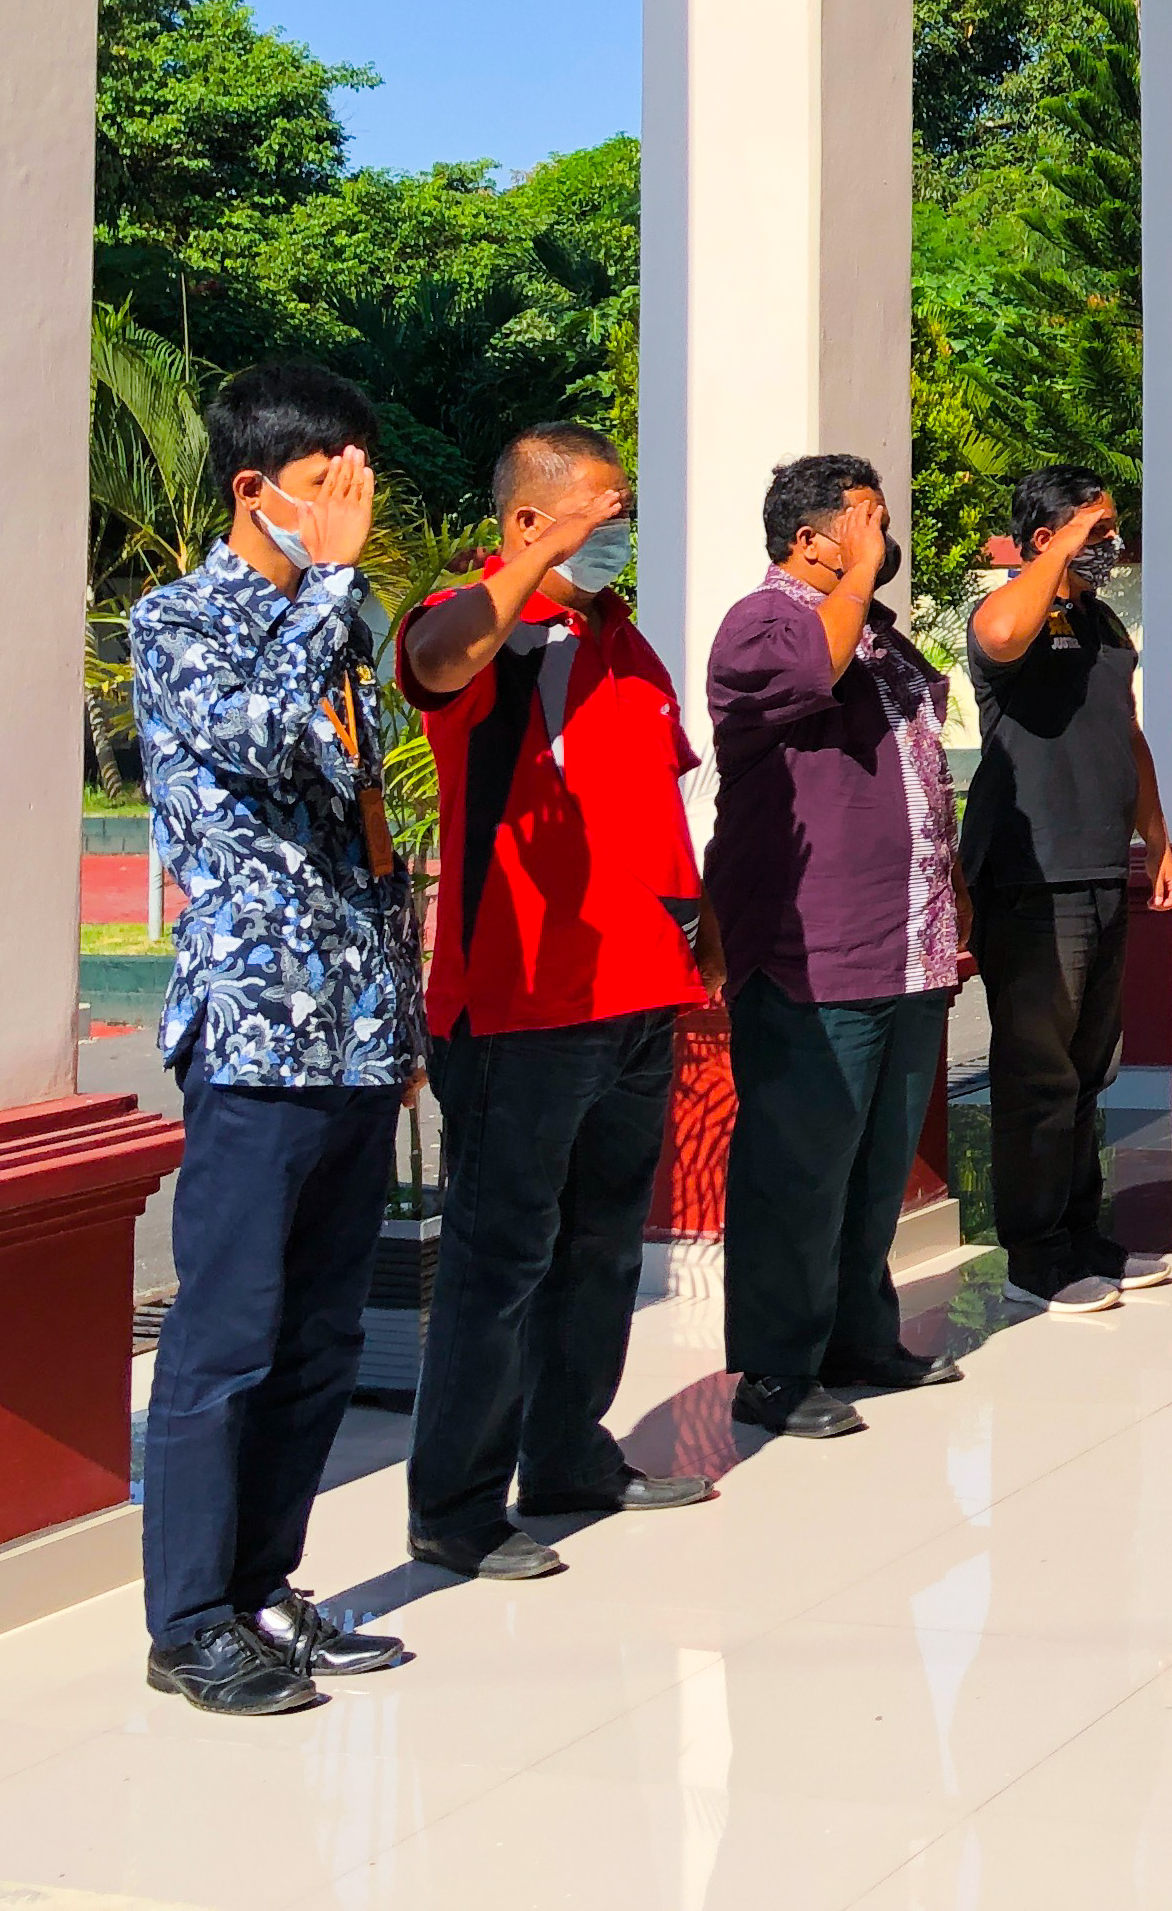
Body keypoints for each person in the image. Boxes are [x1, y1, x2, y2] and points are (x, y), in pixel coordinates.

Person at [130, 362, 420, 1714]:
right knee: (228, 1337)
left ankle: (260, 1587)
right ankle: (187, 1621)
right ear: (257, 490)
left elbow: (366, 826)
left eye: (359, 482)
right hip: (256, 1031)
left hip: (353, 1029)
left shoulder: (335, 623)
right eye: (327, 484)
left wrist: (396, 1017)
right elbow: (252, 742)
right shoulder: (179, 619)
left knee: (319, 1340)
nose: (351, 508)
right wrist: (331, 589)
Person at [393, 422, 716, 1587]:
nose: (620, 526)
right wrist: (530, 564)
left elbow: (658, 805)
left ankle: (569, 1455)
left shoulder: (621, 640)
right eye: (601, 509)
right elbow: (435, 663)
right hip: (521, 1006)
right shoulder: (487, 627)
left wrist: (700, 932)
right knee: (500, 1260)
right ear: (529, 519)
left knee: (599, 1250)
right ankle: (456, 1510)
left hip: (640, 993)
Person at [705, 454, 964, 1435]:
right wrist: (856, 578)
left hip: (909, 939)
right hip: (814, 947)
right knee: (799, 1164)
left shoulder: (879, 633)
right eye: (865, 519)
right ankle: (775, 1370)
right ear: (809, 538)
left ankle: (859, 1336)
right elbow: (815, 672)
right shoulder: (763, 622)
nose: (883, 536)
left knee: (876, 1161)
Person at [962, 468, 1172, 1318]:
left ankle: (1081, 1234)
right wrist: (1054, 557)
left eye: (1112, 528)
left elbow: (1127, 731)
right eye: (1095, 529)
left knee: (1090, 1069)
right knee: (1038, 1075)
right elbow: (1002, 635)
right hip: (1030, 873)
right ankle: (1035, 1256)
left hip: (1098, 864)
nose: (1109, 544)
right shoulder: (1010, 613)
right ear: (1044, 538)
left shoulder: (1100, 620)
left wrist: (1155, 837)